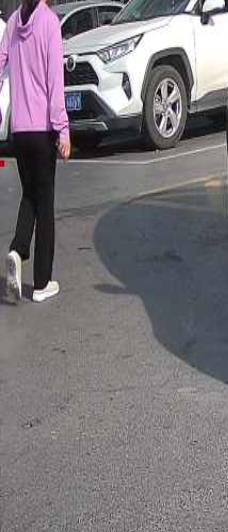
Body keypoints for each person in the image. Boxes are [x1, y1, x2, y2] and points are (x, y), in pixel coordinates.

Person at [0, 0, 70, 305]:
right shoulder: (49, 23)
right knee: (45, 204)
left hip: (19, 131)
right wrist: (63, 129)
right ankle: (42, 283)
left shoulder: (13, 23)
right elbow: (55, 81)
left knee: (30, 194)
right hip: (42, 130)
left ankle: (17, 250)